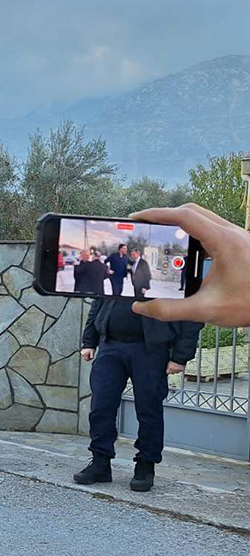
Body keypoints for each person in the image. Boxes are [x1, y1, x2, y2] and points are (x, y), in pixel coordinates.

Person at [74, 298, 201, 492]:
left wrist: (180, 356)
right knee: (100, 406)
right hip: (110, 346)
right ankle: (100, 462)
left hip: (151, 350)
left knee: (149, 410)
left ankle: (145, 465)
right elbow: (99, 301)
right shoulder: (117, 277)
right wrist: (89, 341)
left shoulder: (170, 280)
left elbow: (192, 314)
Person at [129, 205, 250, 327]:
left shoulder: (144, 263)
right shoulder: (134, 263)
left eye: (134, 253)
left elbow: (147, 274)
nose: (133, 255)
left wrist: (146, 287)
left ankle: (181, 287)